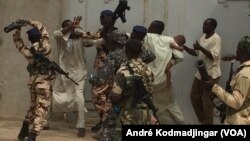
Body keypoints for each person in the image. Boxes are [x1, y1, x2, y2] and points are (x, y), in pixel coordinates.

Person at [44, 16, 90, 137]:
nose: (74, 29)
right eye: (70, 26)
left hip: (79, 73)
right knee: (53, 94)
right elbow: (56, 33)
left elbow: (93, 40)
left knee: (79, 97)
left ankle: (81, 126)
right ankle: (46, 122)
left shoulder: (80, 38)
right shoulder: (61, 39)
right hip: (63, 73)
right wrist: (71, 26)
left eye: (74, 26)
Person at [12, 19, 56, 141]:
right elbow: (42, 27)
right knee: (42, 110)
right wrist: (28, 21)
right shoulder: (46, 47)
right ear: (40, 37)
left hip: (33, 83)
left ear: (30, 39)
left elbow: (18, 42)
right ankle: (32, 135)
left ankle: (23, 132)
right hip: (44, 83)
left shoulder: (28, 52)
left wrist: (17, 29)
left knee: (32, 107)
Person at [110, 39, 157, 141]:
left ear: (126, 51)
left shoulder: (123, 70)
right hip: (145, 114)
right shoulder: (148, 69)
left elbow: (115, 96)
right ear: (140, 52)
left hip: (129, 114)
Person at [143, 20, 185, 124]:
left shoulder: (147, 36)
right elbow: (180, 56)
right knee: (171, 103)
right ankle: (181, 122)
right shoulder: (169, 39)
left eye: (150, 26)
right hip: (163, 81)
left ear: (153, 28)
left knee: (158, 108)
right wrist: (168, 65)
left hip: (150, 81)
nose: (148, 27)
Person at [183, 18, 222, 124]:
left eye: (206, 25)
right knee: (194, 95)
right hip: (201, 72)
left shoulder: (216, 38)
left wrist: (200, 48)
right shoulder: (203, 37)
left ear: (212, 27)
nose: (203, 26)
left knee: (207, 102)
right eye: (203, 24)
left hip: (211, 74)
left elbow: (214, 56)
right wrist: (184, 47)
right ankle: (204, 121)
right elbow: (196, 53)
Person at [205, 36, 250, 124]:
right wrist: (219, 95)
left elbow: (236, 103)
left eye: (238, 49)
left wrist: (214, 87)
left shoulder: (244, 75)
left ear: (241, 51)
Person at [90, 9, 119, 134]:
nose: (101, 19)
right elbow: (88, 42)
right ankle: (104, 121)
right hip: (101, 68)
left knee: (100, 95)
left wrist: (107, 34)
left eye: (104, 17)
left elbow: (112, 49)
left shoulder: (116, 33)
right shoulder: (100, 32)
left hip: (110, 69)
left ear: (110, 18)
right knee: (103, 97)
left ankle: (106, 123)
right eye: (100, 16)